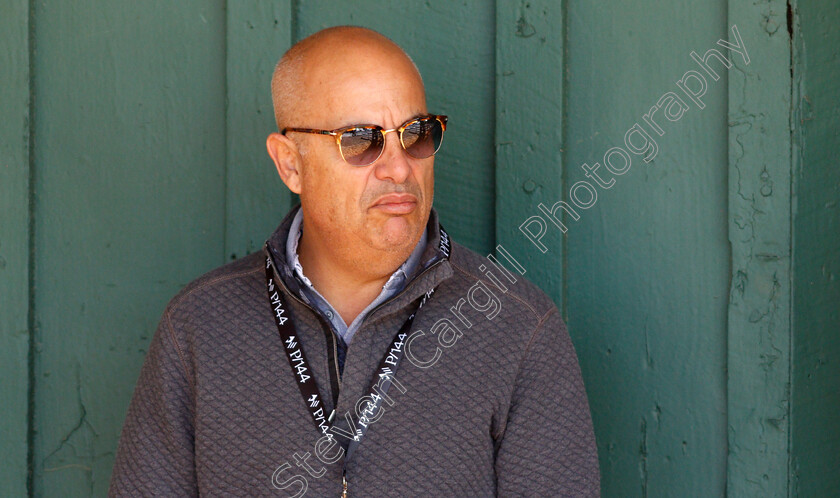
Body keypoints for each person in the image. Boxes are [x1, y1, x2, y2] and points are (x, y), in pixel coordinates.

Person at [109, 26, 600, 497]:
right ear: (290, 164)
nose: (400, 166)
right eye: (361, 140)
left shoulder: (518, 327)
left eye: (417, 133)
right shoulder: (199, 326)